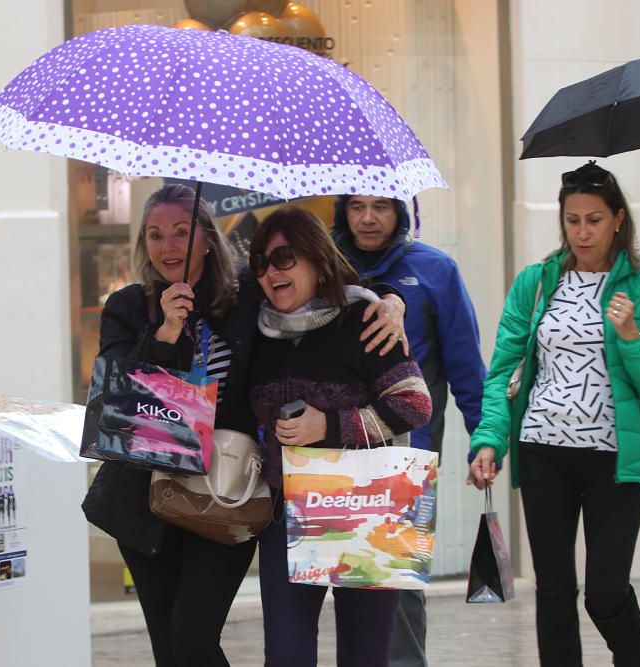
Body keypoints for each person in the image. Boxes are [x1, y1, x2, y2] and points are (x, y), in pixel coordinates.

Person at [81, 184, 408, 667]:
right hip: (143, 499)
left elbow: (317, 285)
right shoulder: (128, 308)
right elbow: (117, 397)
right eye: (154, 235)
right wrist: (166, 333)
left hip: (226, 493)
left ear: (208, 239)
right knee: (169, 649)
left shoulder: (246, 297)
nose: (167, 246)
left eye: (180, 232)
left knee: (193, 636)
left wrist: (390, 299)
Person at [469, 162, 640, 667]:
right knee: (554, 591)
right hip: (543, 451)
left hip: (615, 459)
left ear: (618, 220)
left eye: (594, 219)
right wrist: (490, 440)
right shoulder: (536, 283)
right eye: (572, 219)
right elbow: (502, 372)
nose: (582, 232)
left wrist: (632, 336)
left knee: (605, 594)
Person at [247, 206, 433, 667]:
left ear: (316, 258)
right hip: (286, 512)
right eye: (261, 263)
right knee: (286, 657)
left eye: (285, 257)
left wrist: (327, 427)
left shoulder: (364, 318)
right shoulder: (257, 330)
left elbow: (415, 404)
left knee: (365, 656)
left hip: (369, 507)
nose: (271, 272)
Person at [332, 194, 487, 667]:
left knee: (397, 594)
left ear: (401, 211)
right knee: (348, 591)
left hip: (406, 454)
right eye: (356, 206)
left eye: (381, 206)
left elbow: (465, 366)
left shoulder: (435, 270)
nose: (368, 217)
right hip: (333, 453)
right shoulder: (324, 268)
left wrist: (484, 440)